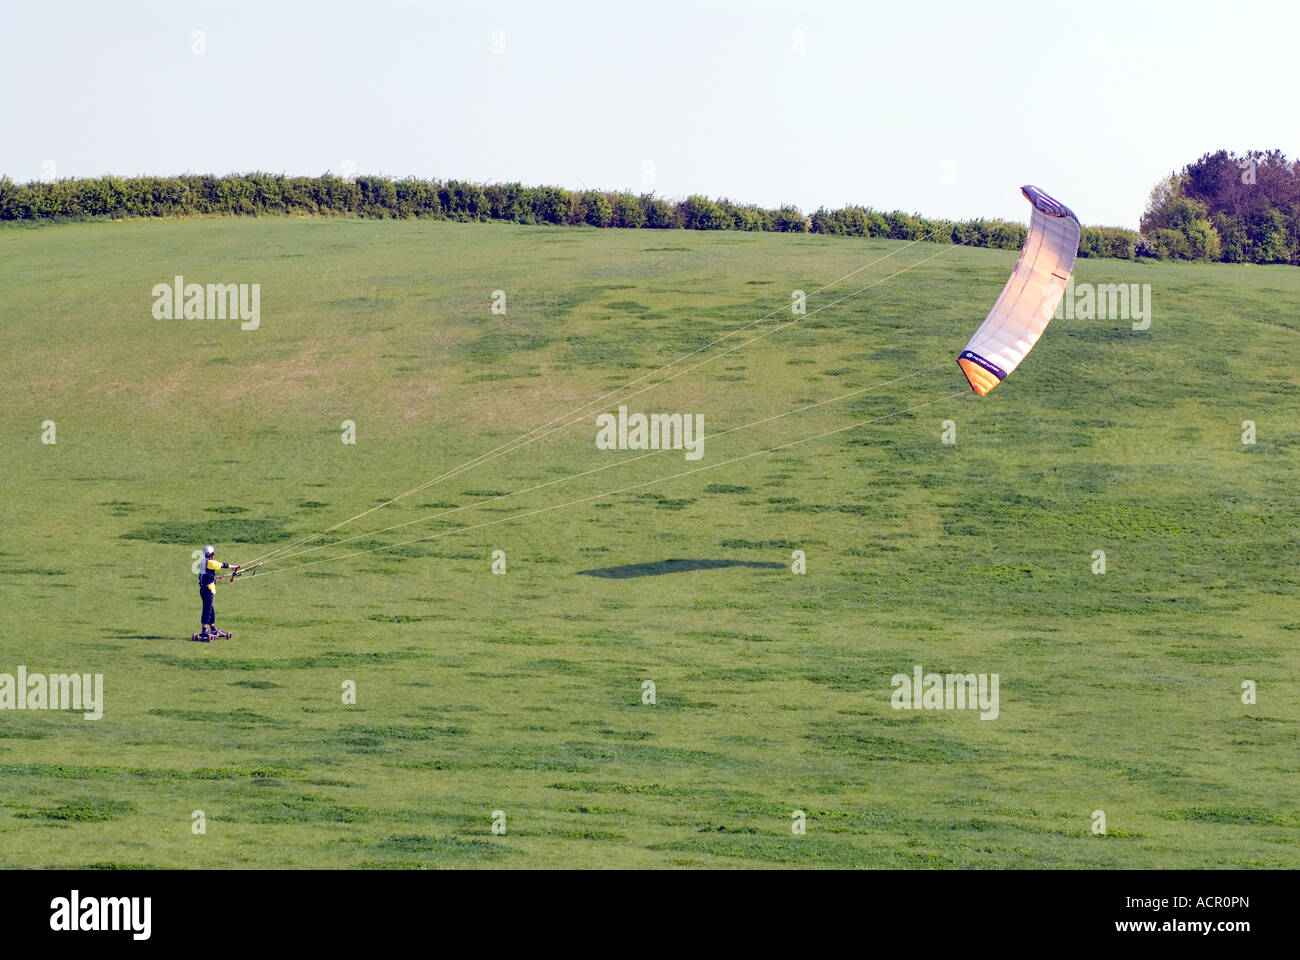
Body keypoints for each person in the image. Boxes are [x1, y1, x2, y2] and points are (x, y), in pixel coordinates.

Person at [195, 545, 239, 641]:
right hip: (208, 589)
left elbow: (207, 573)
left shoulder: (203, 561)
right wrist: (234, 567)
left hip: (203, 589)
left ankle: (213, 628)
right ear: (211, 555)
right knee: (207, 609)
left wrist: (213, 577)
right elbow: (223, 565)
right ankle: (204, 630)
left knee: (210, 608)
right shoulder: (210, 563)